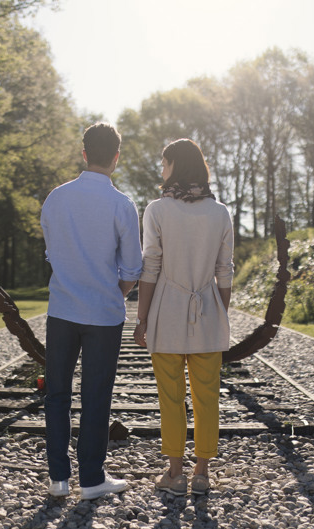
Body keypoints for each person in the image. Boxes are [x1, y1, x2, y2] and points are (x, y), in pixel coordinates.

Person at [40, 122, 143, 500]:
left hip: (62, 309)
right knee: (96, 396)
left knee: (57, 394)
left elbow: (52, 252)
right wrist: (110, 293)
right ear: (116, 157)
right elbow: (133, 268)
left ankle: (58, 479)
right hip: (103, 315)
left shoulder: (56, 198)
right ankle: (92, 480)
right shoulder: (122, 204)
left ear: (83, 153)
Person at [133, 138, 234, 496]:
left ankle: (174, 473)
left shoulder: (157, 210)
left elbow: (150, 270)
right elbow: (225, 271)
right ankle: (202, 472)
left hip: (166, 313)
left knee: (170, 397)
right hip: (208, 311)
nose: (162, 171)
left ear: (175, 164)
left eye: (164, 164)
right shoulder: (220, 212)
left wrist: (142, 319)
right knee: (208, 397)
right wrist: (221, 312)